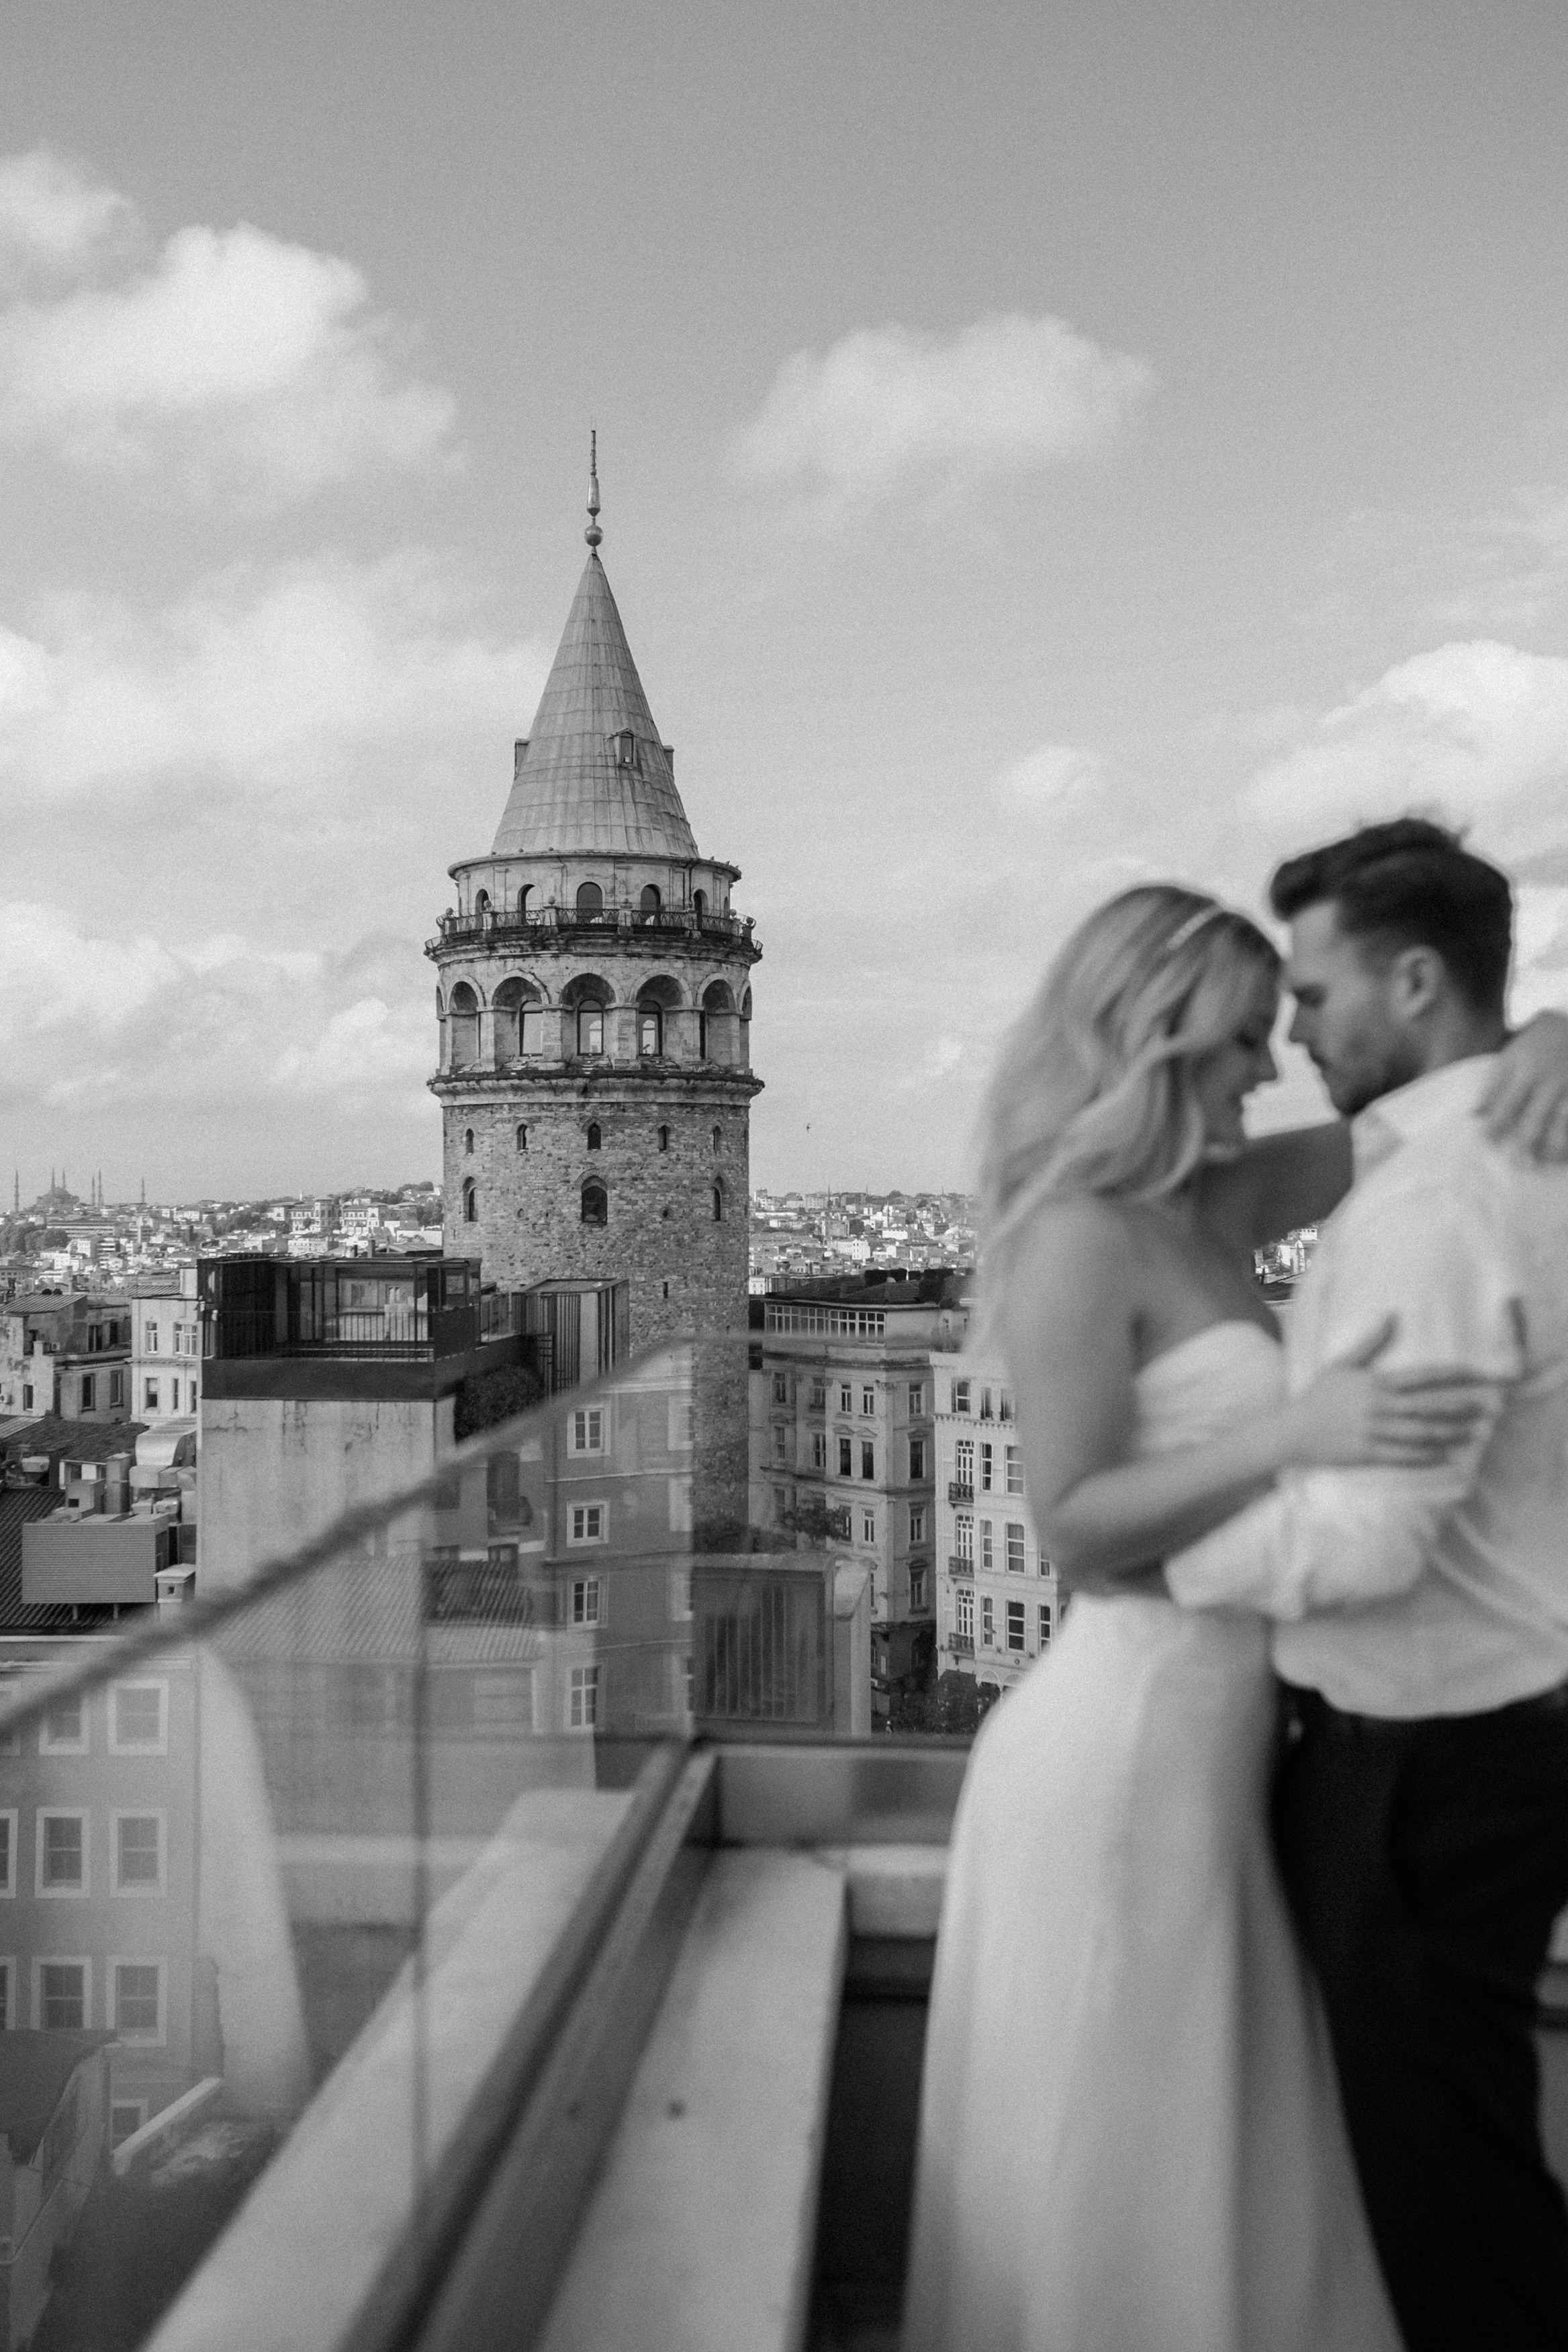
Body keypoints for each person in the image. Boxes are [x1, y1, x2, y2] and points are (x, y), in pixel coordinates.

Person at [901, 868, 1568, 2352]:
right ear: (1152, 1039)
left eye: (1281, 1025)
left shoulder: (1207, 1199)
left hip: (1229, 1737)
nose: (1270, 1066)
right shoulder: (1077, 1233)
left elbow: (1417, 1117)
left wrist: (1546, 1040)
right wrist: (1292, 1432)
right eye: (1241, 1039)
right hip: (1122, 1736)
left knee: (1205, 2111)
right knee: (1111, 2113)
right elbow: (1073, 1529)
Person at [1164, 820, 1568, 2349]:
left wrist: (1149, 1554)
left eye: (1318, 996)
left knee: (1446, 2198)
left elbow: (1372, 1537)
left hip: (1420, 1761)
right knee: (1450, 2162)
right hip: (1486, 1731)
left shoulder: (1435, 1202)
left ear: (1414, 976)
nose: (1294, 1040)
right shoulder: (1503, 1150)